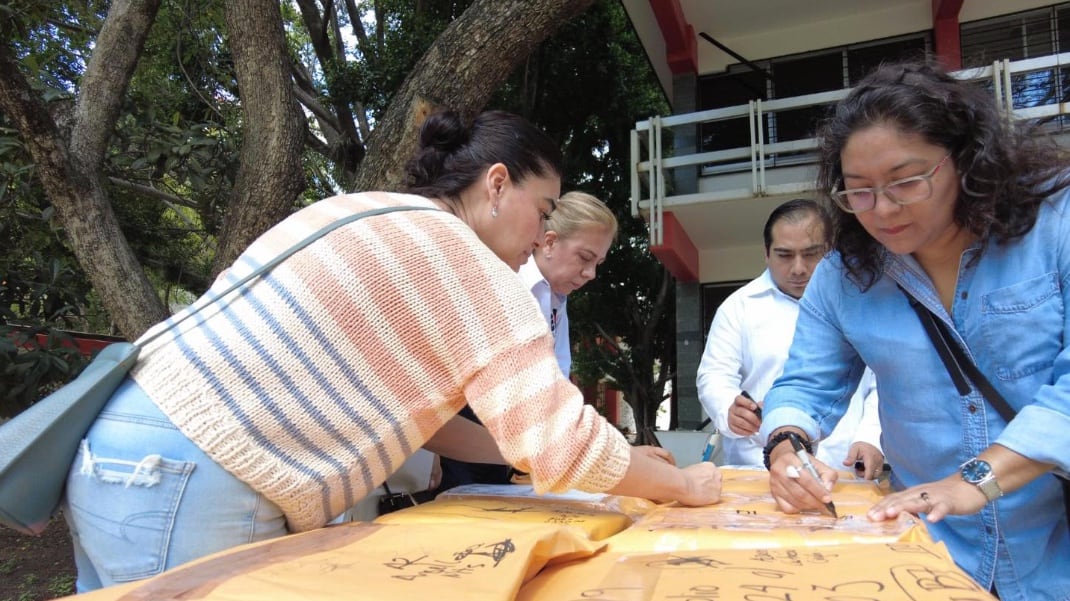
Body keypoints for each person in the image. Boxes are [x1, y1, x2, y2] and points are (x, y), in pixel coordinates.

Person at [61, 110, 722, 592]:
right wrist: (682, 482)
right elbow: (562, 442)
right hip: (198, 479)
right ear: (496, 185)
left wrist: (539, 451)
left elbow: (435, 426)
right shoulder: (473, 266)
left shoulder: (365, 211)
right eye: (543, 209)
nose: (544, 232)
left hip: (112, 444)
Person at [759, 60, 1070, 600]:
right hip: (928, 557)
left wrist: (974, 481)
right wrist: (787, 447)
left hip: (1053, 554)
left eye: (906, 181)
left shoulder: (1055, 222)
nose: (881, 210)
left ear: (968, 161)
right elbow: (806, 385)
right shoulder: (843, 275)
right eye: (858, 192)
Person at [435, 191, 621, 493]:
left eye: (598, 262)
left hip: (504, 450)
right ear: (548, 242)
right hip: (460, 440)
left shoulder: (557, 300)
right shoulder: (502, 281)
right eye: (585, 258)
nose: (591, 274)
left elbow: (555, 382)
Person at [696, 199, 884, 476]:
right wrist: (729, 410)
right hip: (756, 470)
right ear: (766, 253)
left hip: (844, 466)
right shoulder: (739, 307)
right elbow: (714, 375)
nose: (798, 268)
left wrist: (870, 436)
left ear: (831, 250)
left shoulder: (860, 304)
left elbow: (882, 380)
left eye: (811, 254)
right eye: (784, 255)